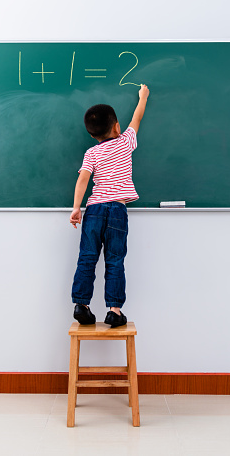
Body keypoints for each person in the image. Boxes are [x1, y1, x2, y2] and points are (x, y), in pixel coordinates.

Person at [70, 84, 150, 327]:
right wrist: (143, 97)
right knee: (115, 260)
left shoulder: (91, 153)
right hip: (116, 210)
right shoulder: (125, 141)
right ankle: (114, 311)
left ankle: (82, 305)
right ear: (117, 126)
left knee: (87, 257)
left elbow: (83, 179)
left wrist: (76, 208)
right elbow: (137, 118)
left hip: (93, 210)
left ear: (92, 134)